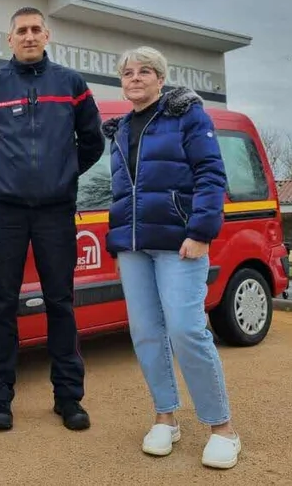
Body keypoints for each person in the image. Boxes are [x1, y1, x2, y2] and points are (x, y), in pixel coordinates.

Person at [101, 45, 241, 469]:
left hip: (180, 244)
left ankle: (222, 429)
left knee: (186, 330)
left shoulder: (187, 115)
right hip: (134, 247)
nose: (136, 77)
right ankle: (165, 417)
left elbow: (211, 173)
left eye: (145, 71)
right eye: (128, 72)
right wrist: (119, 238)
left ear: (160, 79)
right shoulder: (122, 128)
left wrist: (200, 231)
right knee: (145, 333)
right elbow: (124, 190)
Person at [0, 6, 105, 432]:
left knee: (60, 303)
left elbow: (93, 142)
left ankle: (68, 398)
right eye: (20, 31)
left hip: (55, 213)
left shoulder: (72, 85)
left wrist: (61, 175)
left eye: (35, 30)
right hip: (5, 213)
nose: (28, 36)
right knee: (3, 305)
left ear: (47, 36)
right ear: (9, 39)